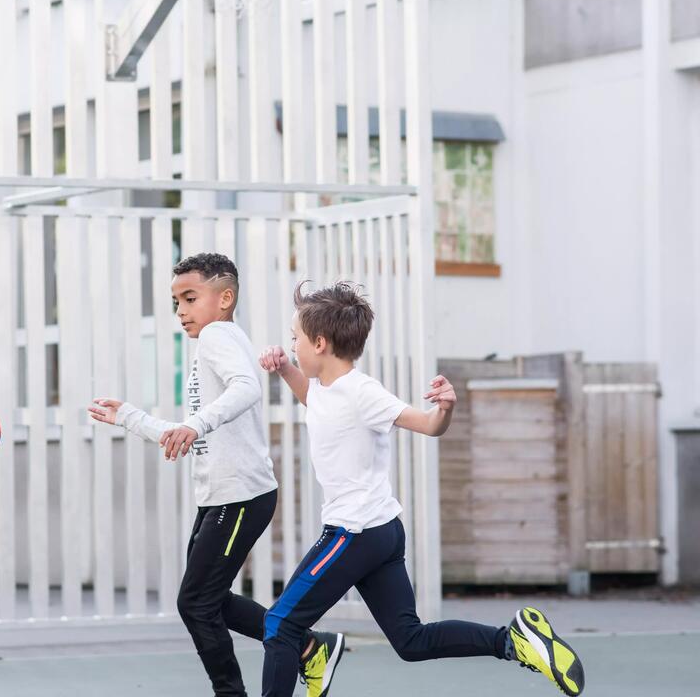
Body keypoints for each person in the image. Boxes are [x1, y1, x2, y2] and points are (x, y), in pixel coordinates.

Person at [257, 281, 586, 697]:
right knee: (410, 641)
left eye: (295, 341)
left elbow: (429, 425)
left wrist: (444, 408)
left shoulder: (363, 393)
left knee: (281, 624)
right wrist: (284, 368)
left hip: (353, 533)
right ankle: (514, 640)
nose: (291, 347)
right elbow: (317, 403)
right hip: (380, 532)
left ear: (320, 343)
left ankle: (315, 654)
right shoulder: (325, 387)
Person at [89, 253, 344, 697]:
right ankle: (307, 647)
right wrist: (128, 416)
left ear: (225, 298)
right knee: (212, 600)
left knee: (196, 603)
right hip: (223, 497)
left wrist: (195, 424)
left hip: (239, 497)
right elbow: (189, 430)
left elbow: (247, 388)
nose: (181, 311)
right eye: (176, 302)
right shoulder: (217, 341)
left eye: (190, 298)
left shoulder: (217, 337)